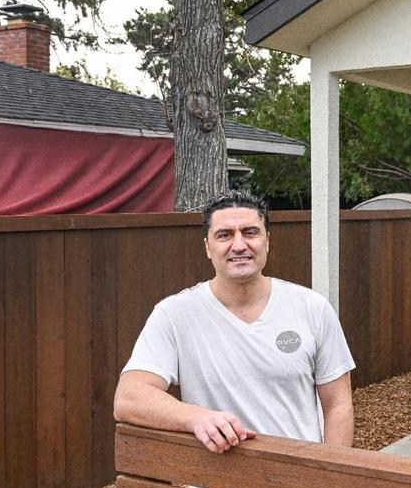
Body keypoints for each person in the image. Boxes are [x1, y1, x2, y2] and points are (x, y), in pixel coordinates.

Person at [113, 190, 355, 453]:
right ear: (207, 247)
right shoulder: (174, 315)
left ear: (267, 241)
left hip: (296, 482)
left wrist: (330, 478)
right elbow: (129, 398)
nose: (239, 245)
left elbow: (338, 405)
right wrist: (196, 418)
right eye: (224, 235)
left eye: (250, 232)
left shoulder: (312, 308)